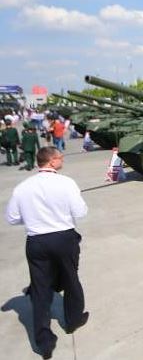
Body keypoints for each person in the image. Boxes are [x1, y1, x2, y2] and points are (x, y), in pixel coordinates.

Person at [4, 147, 89, 358]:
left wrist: (34, 219)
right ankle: (73, 319)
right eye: (60, 157)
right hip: (63, 238)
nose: (62, 160)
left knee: (40, 290)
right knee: (71, 279)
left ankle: (44, 343)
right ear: (51, 161)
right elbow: (80, 211)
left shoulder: (23, 187)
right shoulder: (66, 183)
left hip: (37, 240)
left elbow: (12, 218)